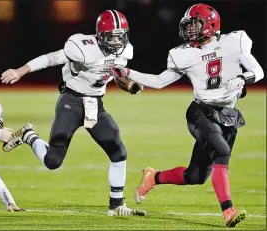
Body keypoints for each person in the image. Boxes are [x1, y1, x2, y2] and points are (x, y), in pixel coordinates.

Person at [110, 3, 264, 227]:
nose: (190, 30)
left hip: (228, 114)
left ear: (210, 23)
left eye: (195, 24)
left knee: (195, 176)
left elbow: (258, 72)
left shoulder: (234, 42)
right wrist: (128, 72)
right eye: (188, 26)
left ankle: (154, 177)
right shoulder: (184, 54)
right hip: (201, 112)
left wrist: (243, 78)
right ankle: (228, 210)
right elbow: (160, 81)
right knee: (222, 151)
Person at [1, 10, 145, 216]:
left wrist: (130, 86)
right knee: (53, 161)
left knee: (118, 152)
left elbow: (116, 75)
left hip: (95, 104)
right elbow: (51, 58)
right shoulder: (82, 47)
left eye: (119, 36)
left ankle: (117, 205)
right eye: (111, 37)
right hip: (71, 101)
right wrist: (20, 71)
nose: (115, 42)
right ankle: (28, 136)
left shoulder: (125, 51)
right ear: (100, 35)